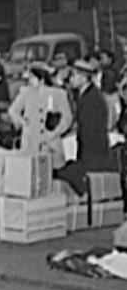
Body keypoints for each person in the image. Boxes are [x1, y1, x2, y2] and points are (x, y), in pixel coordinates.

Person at [55, 59, 116, 197]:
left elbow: (90, 130)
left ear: (83, 77)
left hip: (93, 153)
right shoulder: (85, 96)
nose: (71, 79)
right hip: (87, 151)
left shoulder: (93, 98)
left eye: (74, 75)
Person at [7, 65, 71, 168]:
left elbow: (67, 118)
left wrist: (56, 131)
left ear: (42, 79)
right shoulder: (25, 93)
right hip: (31, 140)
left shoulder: (58, 94)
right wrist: (22, 121)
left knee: (52, 169)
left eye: (32, 77)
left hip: (51, 142)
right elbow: (13, 111)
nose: (29, 81)